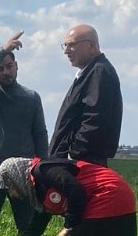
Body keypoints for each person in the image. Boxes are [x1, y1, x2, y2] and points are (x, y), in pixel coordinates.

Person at [0, 31, 47, 235]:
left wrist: (42, 167)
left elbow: (40, 133)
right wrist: (4, 49)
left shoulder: (31, 97)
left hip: (22, 169)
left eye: (9, 66)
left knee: (26, 221)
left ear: (17, 66)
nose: (6, 72)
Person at [0, 155, 137, 236]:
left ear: (15, 177)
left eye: (10, 187)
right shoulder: (38, 187)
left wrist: (68, 227)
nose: (13, 195)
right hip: (123, 195)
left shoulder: (43, 171)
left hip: (108, 193)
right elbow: (39, 221)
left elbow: (75, 191)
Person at [48, 23, 122, 164]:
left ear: (91, 45)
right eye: (65, 45)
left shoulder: (99, 72)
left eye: (72, 45)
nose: (66, 51)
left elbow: (95, 118)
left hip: (82, 164)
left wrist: (74, 154)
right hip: (74, 161)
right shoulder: (89, 73)